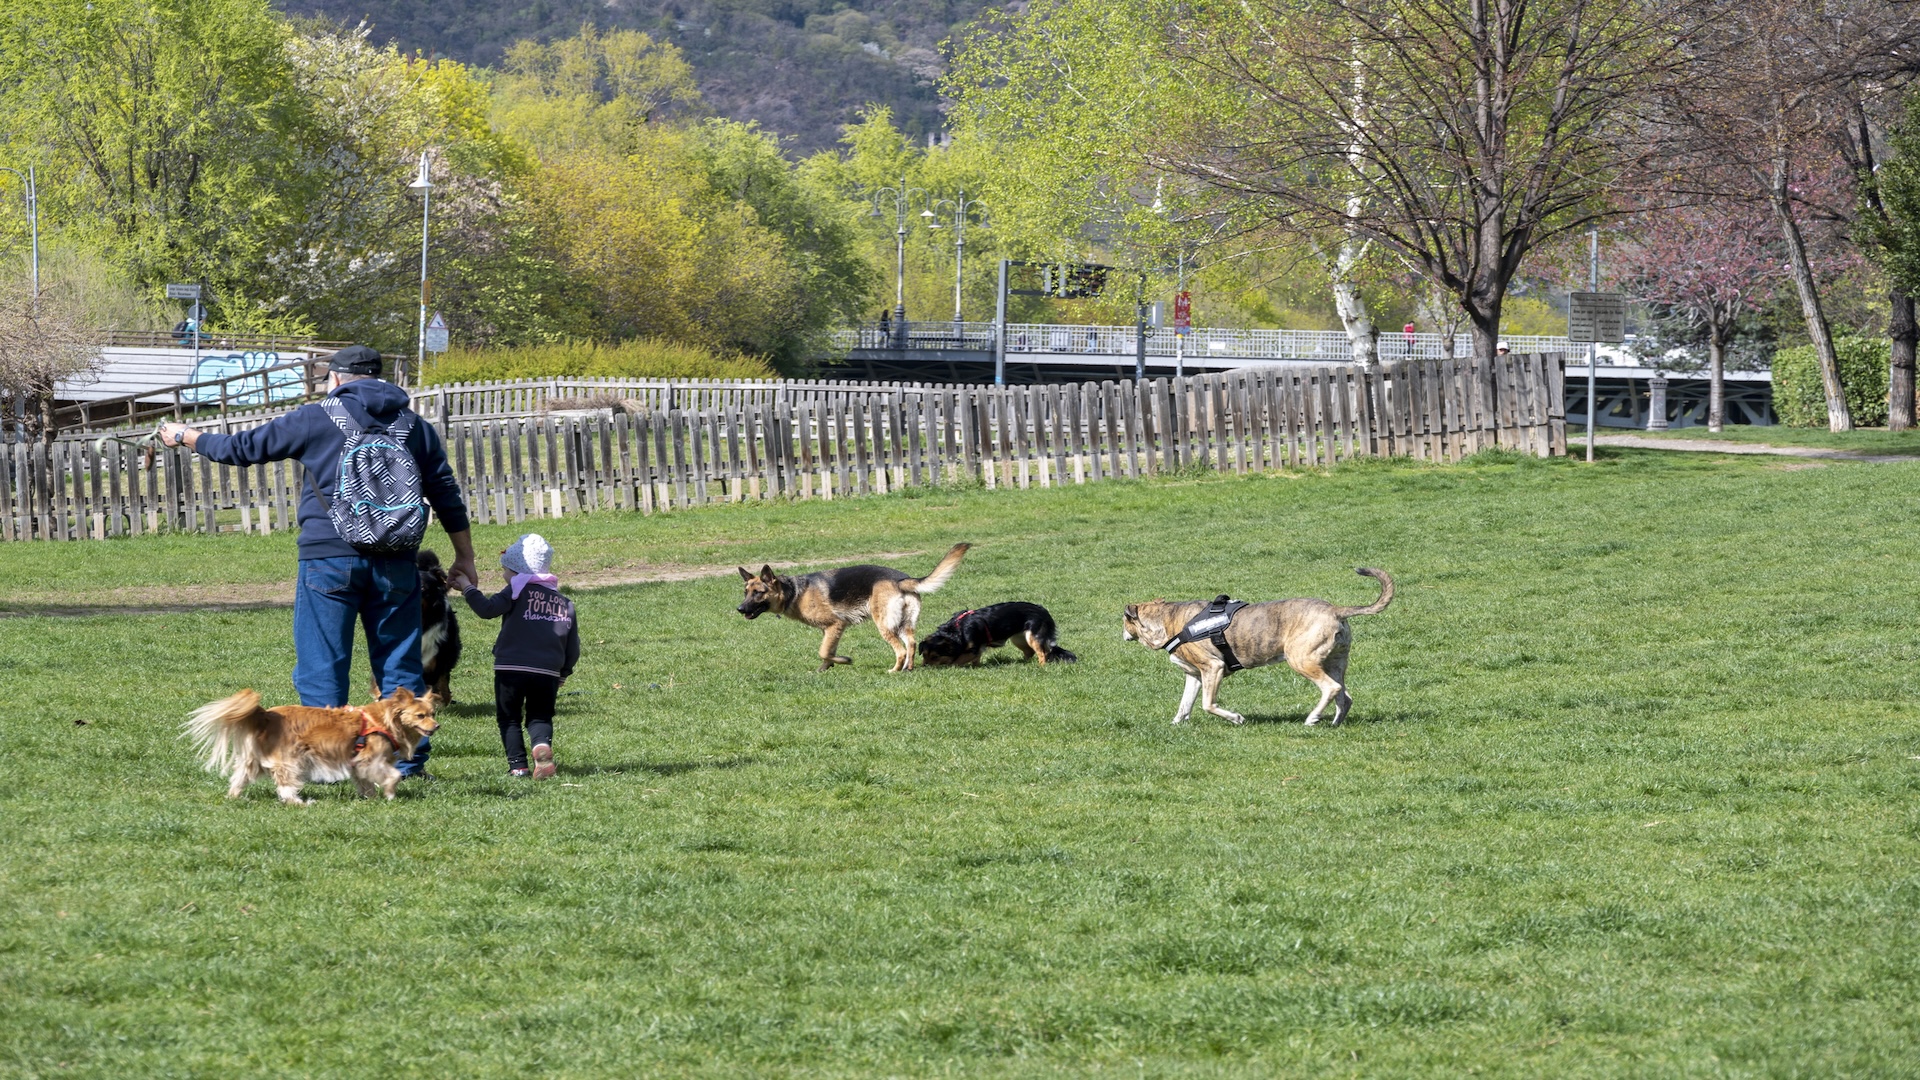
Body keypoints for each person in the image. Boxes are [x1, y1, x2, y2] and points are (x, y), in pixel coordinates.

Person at [158, 345, 476, 778]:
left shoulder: (316, 417)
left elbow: (241, 448)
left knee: (323, 664)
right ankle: (407, 764)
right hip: (396, 561)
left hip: (328, 558)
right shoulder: (414, 426)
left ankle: (326, 763)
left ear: (337, 378)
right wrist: (464, 556)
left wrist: (185, 436)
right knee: (399, 666)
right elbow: (444, 491)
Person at [451, 534, 579, 779]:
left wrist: (467, 587)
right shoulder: (564, 602)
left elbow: (487, 610)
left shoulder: (516, 591)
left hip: (511, 667)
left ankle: (518, 767)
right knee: (540, 716)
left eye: (505, 570)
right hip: (548, 671)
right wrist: (564, 672)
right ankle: (541, 745)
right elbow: (573, 645)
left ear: (517, 572)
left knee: (509, 718)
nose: (503, 575)